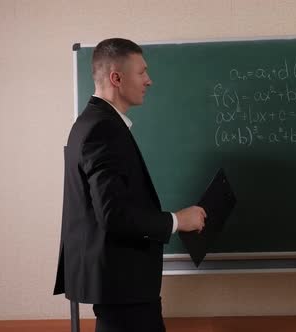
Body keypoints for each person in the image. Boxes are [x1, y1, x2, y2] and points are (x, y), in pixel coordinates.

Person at [54, 38, 207, 332]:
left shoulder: (93, 122)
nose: (149, 80)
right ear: (116, 77)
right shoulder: (103, 129)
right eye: (142, 72)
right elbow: (114, 214)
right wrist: (177, 221)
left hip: (121, 288)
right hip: (123, 288)